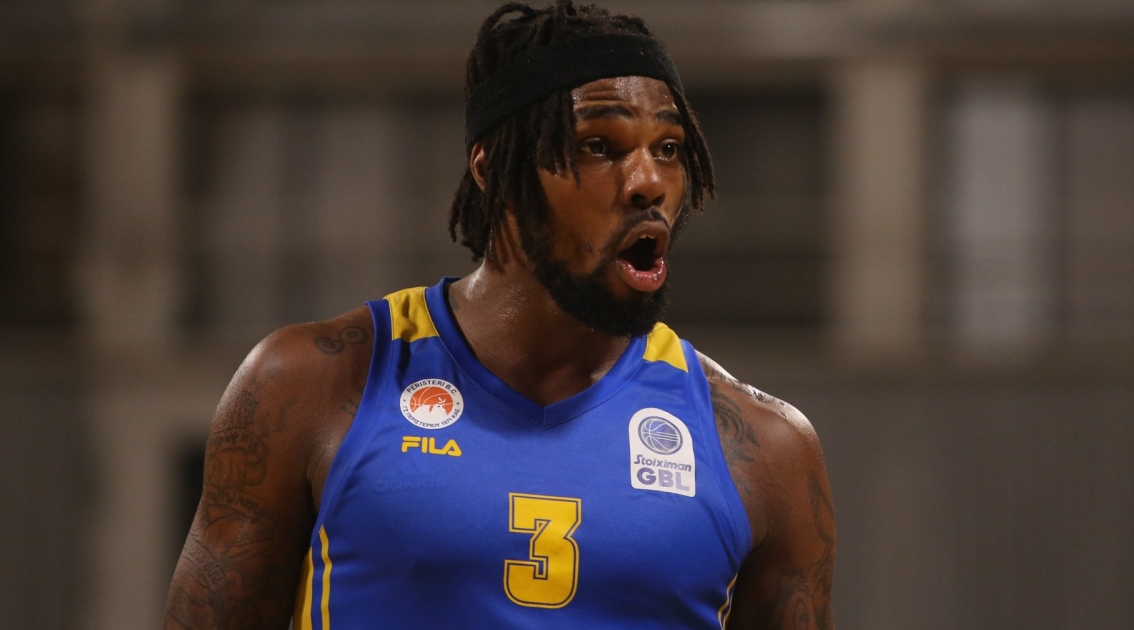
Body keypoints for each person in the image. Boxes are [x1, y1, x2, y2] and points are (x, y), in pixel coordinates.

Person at [164, 1, 835, 628]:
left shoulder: (764, 448)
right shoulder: (307, 384)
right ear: (492, 169)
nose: (648, 182)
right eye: (599, 146)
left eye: (668, 149)